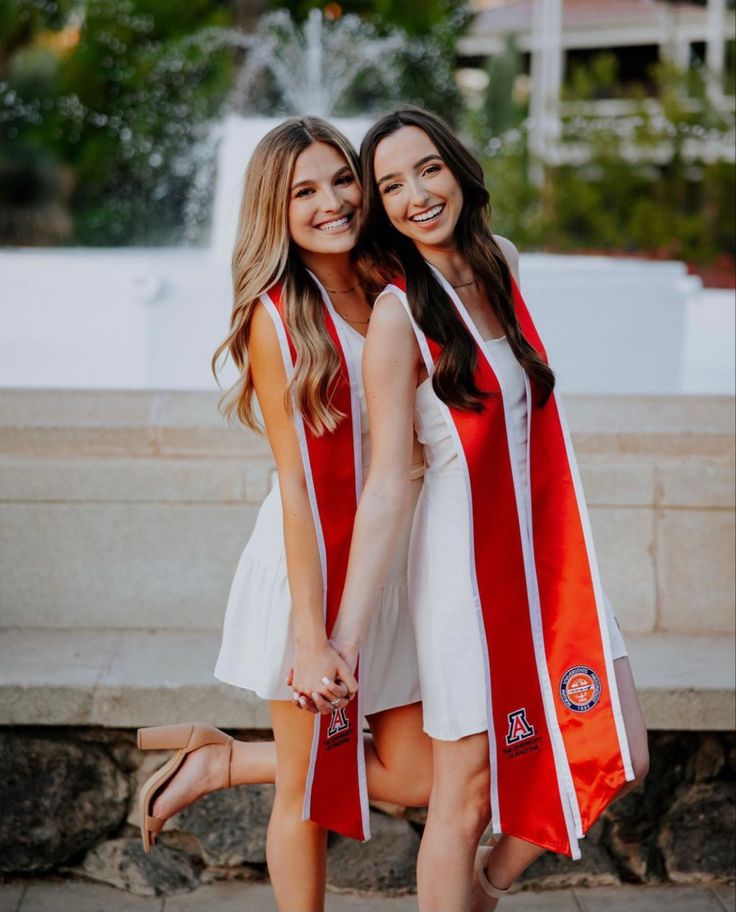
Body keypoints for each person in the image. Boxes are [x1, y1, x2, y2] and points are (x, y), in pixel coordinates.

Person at [307, 106, 649, 912]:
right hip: (467, 577)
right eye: (389, 184)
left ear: (456, 167)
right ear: (381, 208)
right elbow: (390, 483)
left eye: (426, 169)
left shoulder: (502, 261)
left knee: (620, 744)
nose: (415, 194)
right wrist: (343, 641)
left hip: (552, 561)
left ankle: (484, 891)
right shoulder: (398, 317)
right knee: (461, 802)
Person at [136, 117, 432, 912]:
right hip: (315, 568)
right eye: (306, 191)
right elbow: (296, 488)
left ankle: (224, 761)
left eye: (343, 179)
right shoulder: (280, 318)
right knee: (305, 796)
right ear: (277, 209)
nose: (333, 201)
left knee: (417, 775)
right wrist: (310, 637)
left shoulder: (398, 283)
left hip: (393, 569)